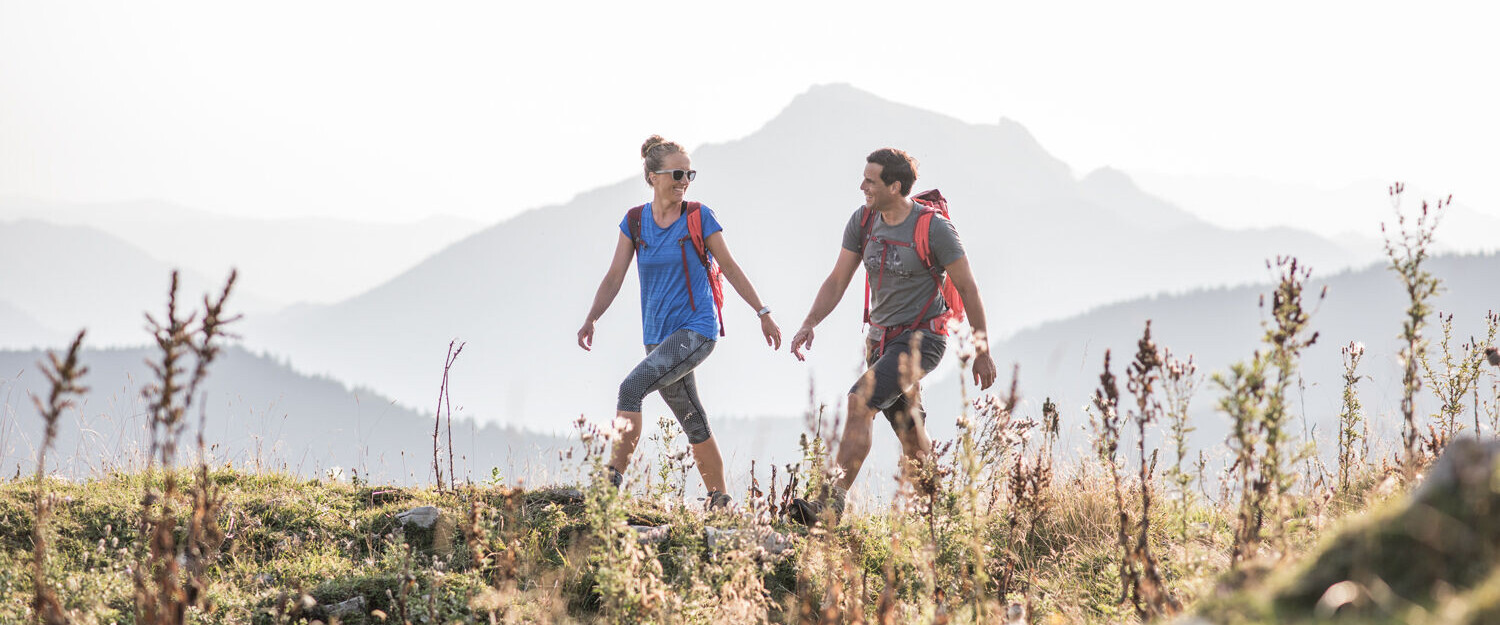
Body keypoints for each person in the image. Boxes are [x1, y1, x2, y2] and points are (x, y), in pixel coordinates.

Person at [787, 147, 997, 524]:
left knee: (860, 401)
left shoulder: (933, 227)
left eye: (871, 180)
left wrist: (982, 350)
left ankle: (828, 505)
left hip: (923, 340)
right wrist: (809, 322)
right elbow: (837, 279)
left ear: (895, 186)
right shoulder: (864, 222)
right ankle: (941, 518)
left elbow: (968, 287)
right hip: (880, 341)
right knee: (911, 434)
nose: (862, 186)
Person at [577, 135, 782, 510]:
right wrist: (592, 317)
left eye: (689, 173)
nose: (684, 180)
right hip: (656, 336)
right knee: (692, 418)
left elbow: (730, 267)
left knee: (630, 388)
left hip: (696, 330)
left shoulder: (698, 216)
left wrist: (762, 312)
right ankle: (720, 501)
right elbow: (613, 277)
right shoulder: (635, 222)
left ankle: (609, 488)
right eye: (676, 173)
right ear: (653, 177)